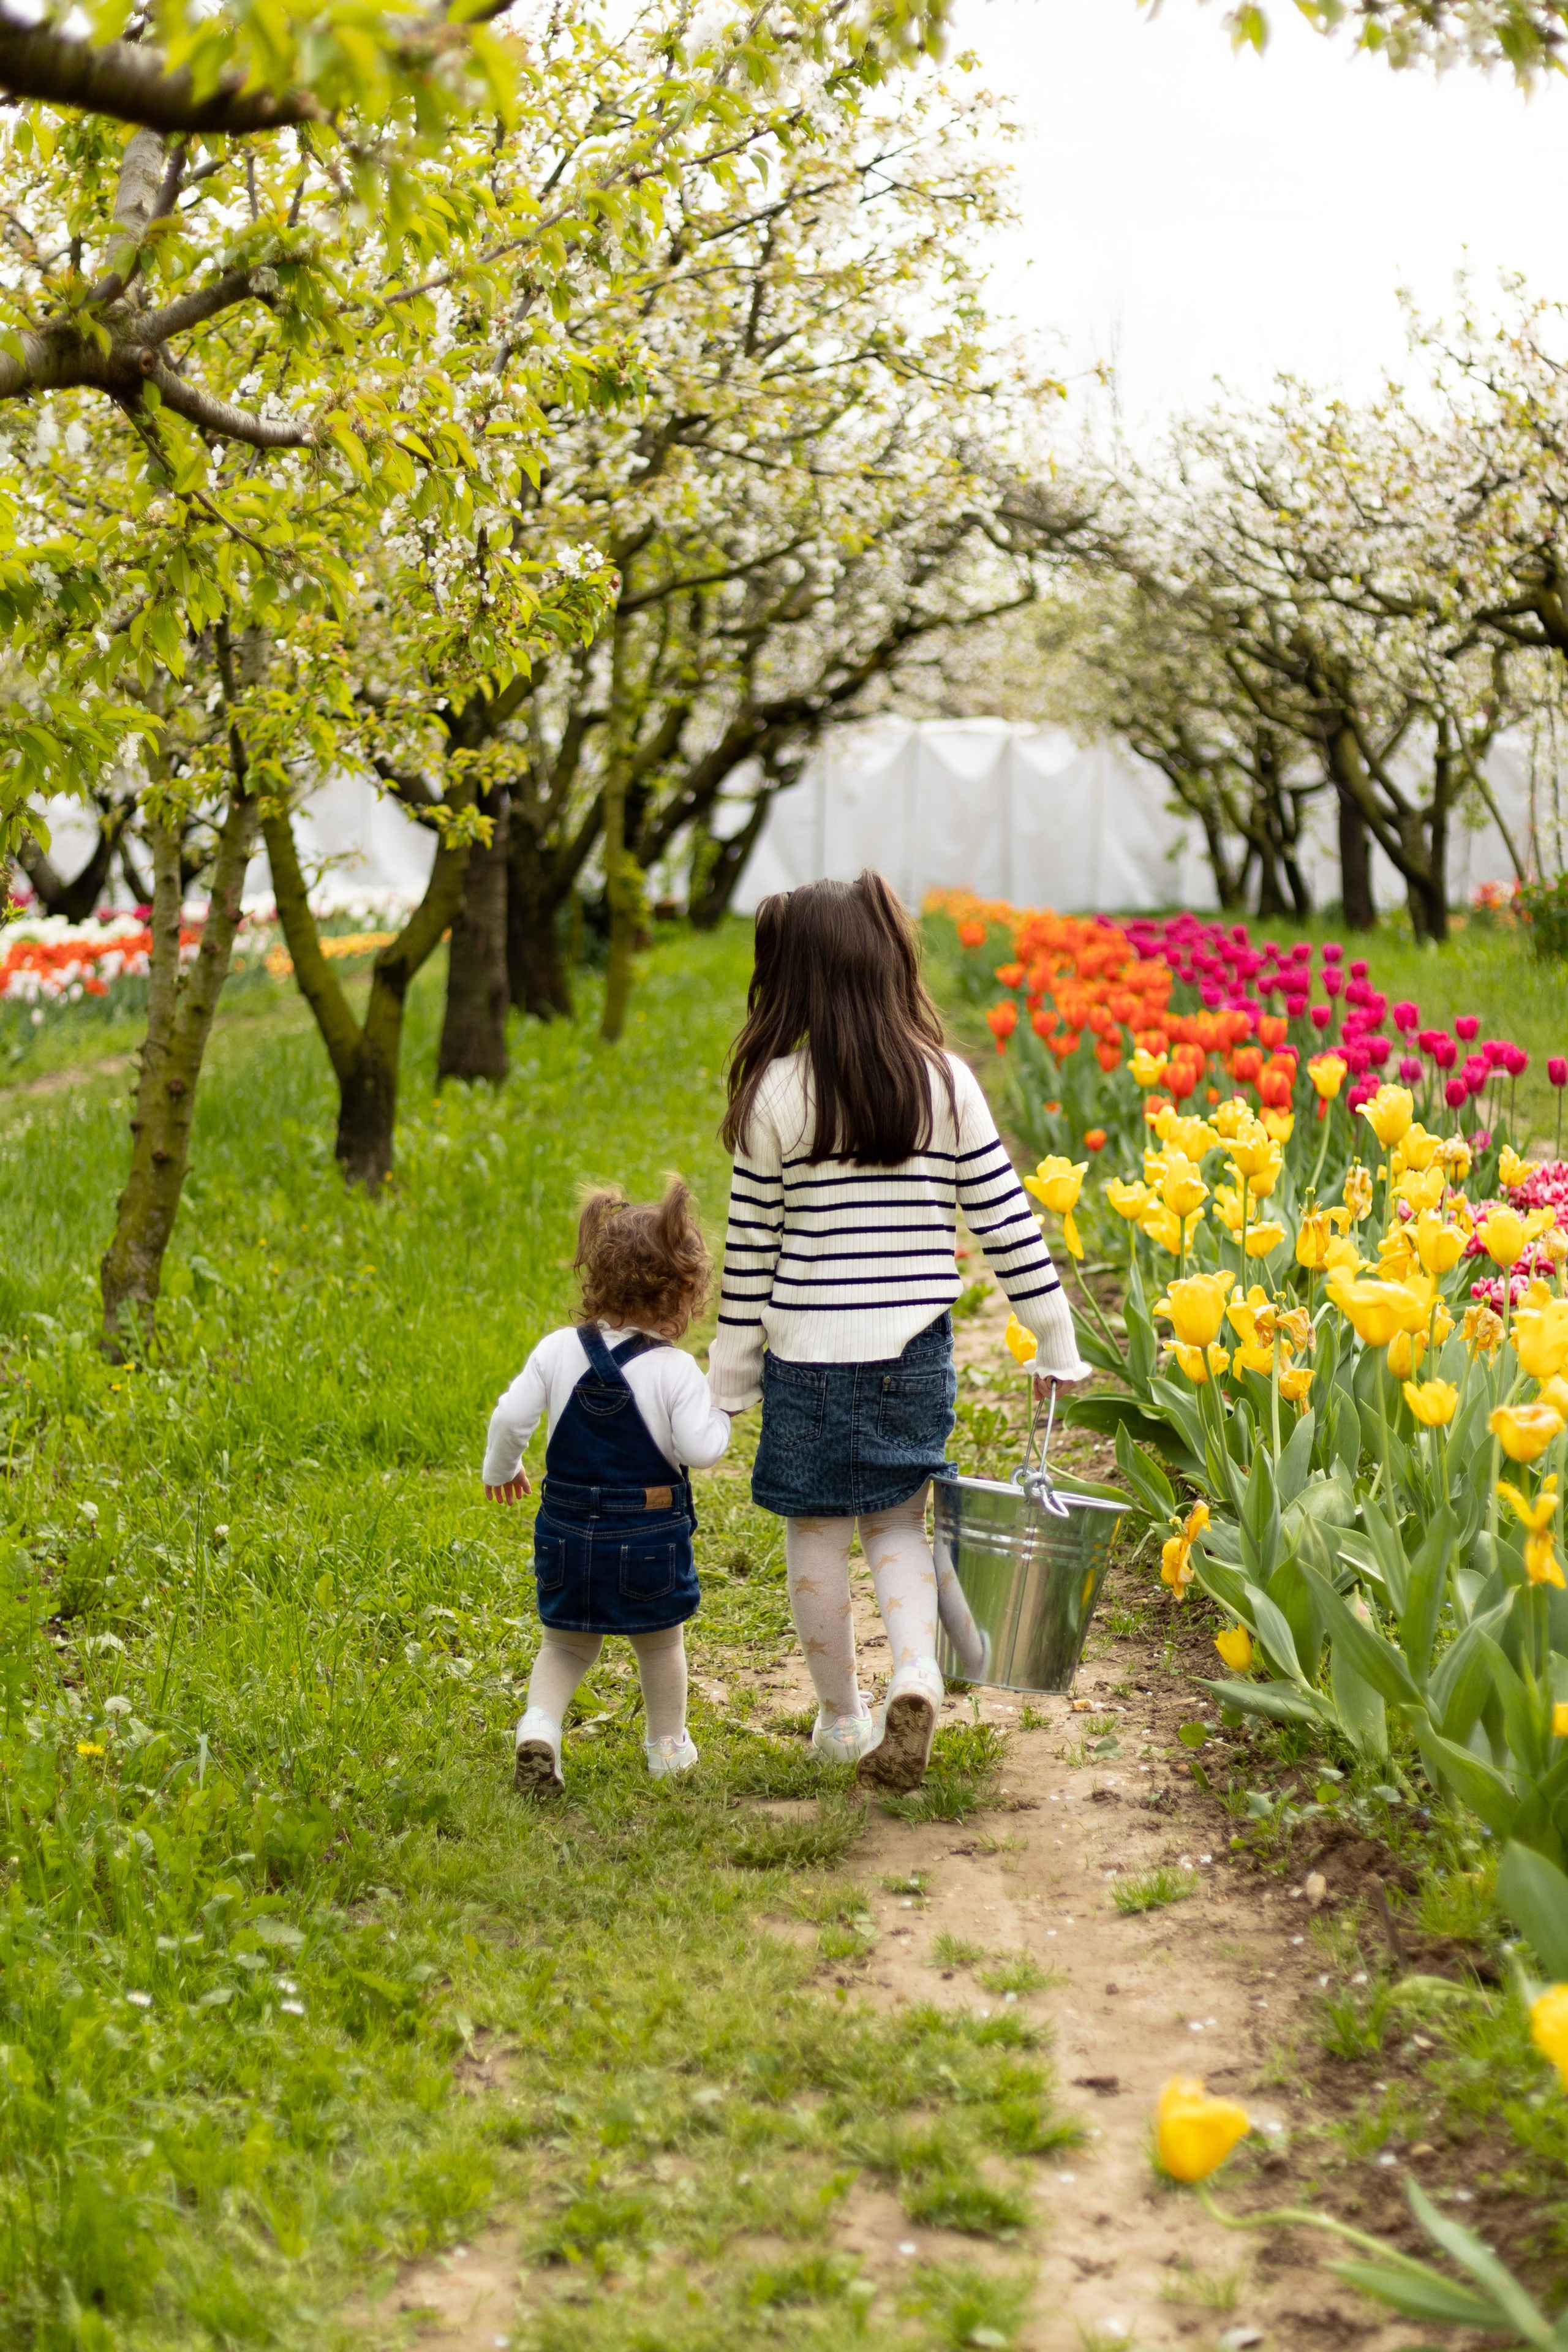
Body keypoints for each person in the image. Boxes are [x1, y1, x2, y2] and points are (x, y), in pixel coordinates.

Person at [706, 872, 1089, 1791]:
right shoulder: (945, 1081)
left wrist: (727, 1382)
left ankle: (841, 1718)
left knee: (816, 1535)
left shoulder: (774, 1097)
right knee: (898, 1523)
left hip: (806, 1355)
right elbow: (1008, 1224)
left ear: (788, 980)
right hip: (912, 1352)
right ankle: (916, 1671)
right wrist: (1055, 1338)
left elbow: (750, 1252)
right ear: (891, 965)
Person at [483, 1178, 731, 1795]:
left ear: (596, 1277)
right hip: (646, 1533)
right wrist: (722, 1407)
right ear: (681, 1294)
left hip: (567, 1527)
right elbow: (702, 1450)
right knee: (658, 1642)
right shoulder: (674, 1370)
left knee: (565, 1646)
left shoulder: (556, 1349)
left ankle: (539, 1728)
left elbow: (510, 1418)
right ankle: (668, 1746)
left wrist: (502, 1469)